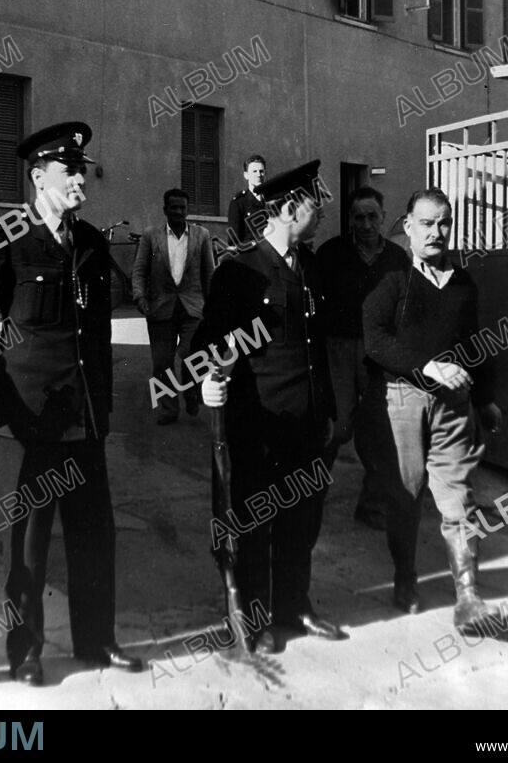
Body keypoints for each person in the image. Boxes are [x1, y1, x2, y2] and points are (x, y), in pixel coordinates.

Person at [0, 122, 142, 685]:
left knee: (93, 536)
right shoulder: (5, 238)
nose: (81, 177)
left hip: (82, 417)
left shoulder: (92, 244)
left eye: (82, 169)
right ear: (39, 177)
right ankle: (26, 652)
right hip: (27, 419)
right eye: (69, 170)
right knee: (27, 547)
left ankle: (97, 641)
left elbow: (99, 340)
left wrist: (101, 411)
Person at [196, 160, 347, 654]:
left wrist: (327, 410)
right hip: (259, 423)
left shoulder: (311, 267)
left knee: (302, 521)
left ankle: (295, 606)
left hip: (305, 422)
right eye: (313, 206)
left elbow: (316, 346)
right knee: (256, 523)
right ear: (286, 210)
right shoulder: (239, 271)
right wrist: (205, 382)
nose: (321, 214)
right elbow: (205, 346)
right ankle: (256, 617)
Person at [361, 187, 502, 633]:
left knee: (458, 497)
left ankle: (468, 597)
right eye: (427, 223)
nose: (437, 232)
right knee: (405, 497)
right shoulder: (392, 281)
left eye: (445, 223)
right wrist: (426, 367)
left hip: (453, 406)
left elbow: (475, 346)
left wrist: (485, 399)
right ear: (408, 227)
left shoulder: (463, 284)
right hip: (402, 401)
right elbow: (375, 340)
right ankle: (405, 577)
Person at [316, 186, 409, 529]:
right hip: (339, 348)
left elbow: (403, 307)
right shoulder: (331, 253)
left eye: (373, 216)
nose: (366, 224)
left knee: (380, 431)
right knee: (336, 428)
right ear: (350, 220)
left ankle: (371, 507)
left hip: (379, 354)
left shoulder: (397, 259)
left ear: (383, 217)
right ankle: (310, 498)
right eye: (359, 217)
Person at [132, 188, 214, 424]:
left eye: (183, 208)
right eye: (174, 207)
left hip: (194, 307)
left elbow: (210, 272)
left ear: (187, 210)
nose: (178, 212)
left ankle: (191, 392)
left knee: (194, 355)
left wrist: (213, 307)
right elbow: (139, 270)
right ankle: (168, 409)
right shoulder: (150, 236)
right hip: (160, 307)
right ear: (165, 209)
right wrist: (139, 297)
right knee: (161, 362)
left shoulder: (202, 235)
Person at [226, 154, 268, 247]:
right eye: (254, 171)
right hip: (252, 255)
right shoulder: (238, 202)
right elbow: (234, 240)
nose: (258, 175)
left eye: (261, 171)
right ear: (246, 175)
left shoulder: (270, 199)